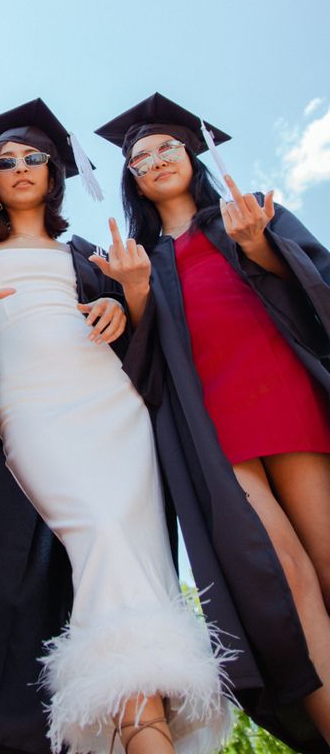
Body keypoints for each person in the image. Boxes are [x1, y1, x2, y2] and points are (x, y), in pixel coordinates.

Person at [0, 99, 232, 754]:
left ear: (54, 174)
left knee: (139, 553)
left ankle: (147, 727)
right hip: (33, 412)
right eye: (5, 161)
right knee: (96, 531)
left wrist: (119, 301)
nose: (19, 168)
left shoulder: (90, 252)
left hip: (113, 407)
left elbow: (145, 330)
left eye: (33, 158)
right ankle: (136, 722)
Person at [95, 90, 330, 754]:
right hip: (212, 421)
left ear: (192, 152)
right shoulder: (137, 260)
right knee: (280, 576)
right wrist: (134, 294)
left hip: (284, 396)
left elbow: (317, 289)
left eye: (167, 146)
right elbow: (142, 365)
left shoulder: (247, 214)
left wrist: (260, 249)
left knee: (326, 557)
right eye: (141, 157)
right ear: (132, 179)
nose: (156, 159)